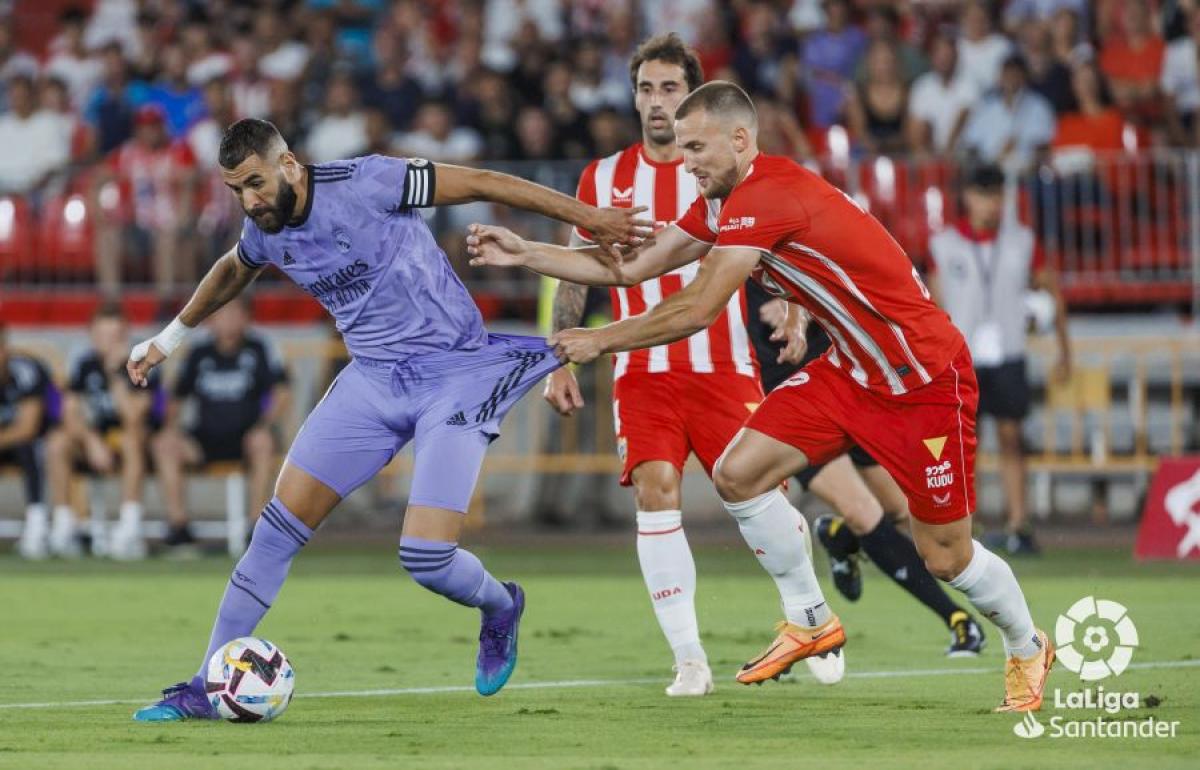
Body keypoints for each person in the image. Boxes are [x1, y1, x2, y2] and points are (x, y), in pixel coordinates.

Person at [468, 81, 1055, 712]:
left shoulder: (767, 195)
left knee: (947, 556)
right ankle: (810, 618)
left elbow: (697, 307)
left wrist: (600, 339)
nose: (684, 158)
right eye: (681, 146)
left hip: (925, 382)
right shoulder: (724, 202)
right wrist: (530, 253)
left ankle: (1026, 644)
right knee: (739, 473)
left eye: (696, 146)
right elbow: (634, 266)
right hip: (851, 374)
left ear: (740, 140)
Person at [124, 118, 649, 721]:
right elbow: (233, 267)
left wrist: (591, 217)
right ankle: (205, 684)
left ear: (289, 164)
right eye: (236, 190)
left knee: (426, 558)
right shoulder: (264, 228)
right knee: (273, 532)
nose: (249, 200)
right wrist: (170, 338)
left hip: (453, 376)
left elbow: (481, 181)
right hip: (372, 382)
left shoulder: (370, 181)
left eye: (255, 183)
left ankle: (500, 605)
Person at [544, 34, 806, 698]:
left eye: (668, 88)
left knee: (764, 497)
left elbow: (778, 244)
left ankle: (807, 616)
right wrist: (560, 357)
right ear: (632, 97)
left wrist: (795, 310)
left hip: (725, 364)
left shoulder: (722, 169)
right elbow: (579, 273)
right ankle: (689, 658)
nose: (656, 102)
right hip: (642, 371)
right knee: (655, 491)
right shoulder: (601, 180)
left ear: (690, 96)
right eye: (645, 88)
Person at [747, 283, 986, 657]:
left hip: (850, 387)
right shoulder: (732, 260)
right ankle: (958, 619)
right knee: (864, 511)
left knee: (898, 511)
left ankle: (842, 538)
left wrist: (800, 308)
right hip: (796, 402)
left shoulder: (798, 248)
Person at [927, 164, 1071, 556]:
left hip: (1008, 352)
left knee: (1011, 438)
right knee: (963, 444)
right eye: (982, 195)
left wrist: (1064, 348)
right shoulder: (944, 244)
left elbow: (1051, 290)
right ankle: (966, 524)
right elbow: (933, 305)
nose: (989, 204)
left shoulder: (1022, 241)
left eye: (995, 196)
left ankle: (1018, 522)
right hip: (962, 357)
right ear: (967, 197)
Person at [151, 299, 292, 557]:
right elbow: (175, 396)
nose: (228, 321)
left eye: (234, 314)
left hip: (247, 437)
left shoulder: (260, 348)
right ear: (210, 321)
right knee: (164, 444)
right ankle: (179, 526)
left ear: (246, 318)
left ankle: (256, 526)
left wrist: (265, 425)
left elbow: (282, 392)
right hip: (205, 438)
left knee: (262, 442)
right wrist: (170, 426)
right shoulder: (198, 353)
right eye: (222, 315)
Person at [46, 303, 163, 560]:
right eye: (102, 336)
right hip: (94, 440)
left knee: (130, 438)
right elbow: (69, 413)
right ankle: (64, 523)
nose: (109, 343)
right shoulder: (83, 364)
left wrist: (114, 374)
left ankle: (129, 525)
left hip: (133, 441)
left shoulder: (143, 364)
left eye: (116, 336)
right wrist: (91, 442)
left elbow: (133, 418)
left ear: (126, 335)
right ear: (91, 335)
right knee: (57, 442)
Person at [3, 324, 56, 560]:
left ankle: (37, 525)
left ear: (5, 350)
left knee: (30, 446)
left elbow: (27, 428)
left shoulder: (27, 370)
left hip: (26, 443)